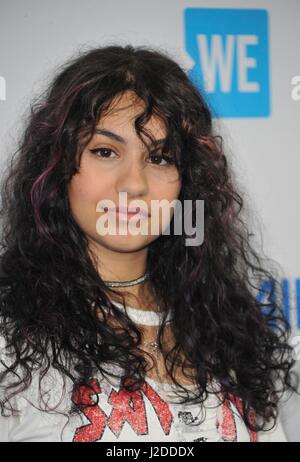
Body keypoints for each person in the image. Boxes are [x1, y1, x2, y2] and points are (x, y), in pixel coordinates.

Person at [0, 44, 297, 442]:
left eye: (159, 158)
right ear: (55, 170)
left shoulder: (229, 329)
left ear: (186, 182)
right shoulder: (11, 334)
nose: (134, 184)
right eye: (105, 151)